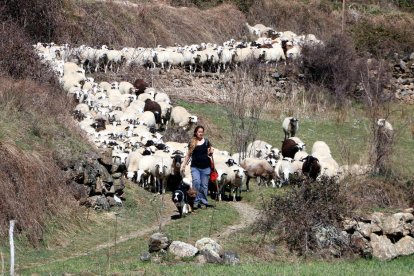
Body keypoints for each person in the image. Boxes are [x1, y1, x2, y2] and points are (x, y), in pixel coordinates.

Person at [181, 125, 214, 209]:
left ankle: (203, 202)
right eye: (199, 132)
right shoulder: (192, 142)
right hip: (195, 167)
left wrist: (211, 152)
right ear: (196, 133)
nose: (201, 133)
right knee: (196, 183)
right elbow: (188, 155)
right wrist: (184, 165)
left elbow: (210, 150)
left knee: (204, 186)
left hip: (206, 167)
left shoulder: (206, 142)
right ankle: (196, 201)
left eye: (202, 132)